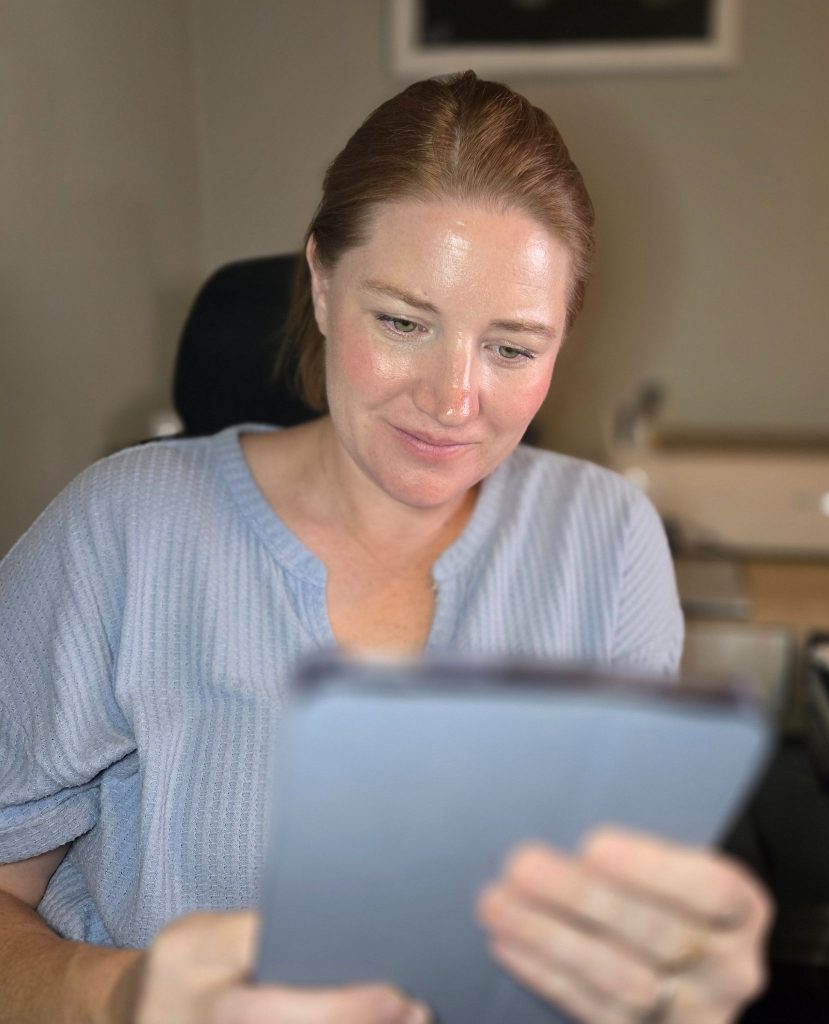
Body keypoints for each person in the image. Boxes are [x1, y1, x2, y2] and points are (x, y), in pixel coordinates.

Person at [0, 71, 771, 1024]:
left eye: (514, 348)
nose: (453, 401)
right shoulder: (120, 536)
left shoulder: (605, 545)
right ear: (322, 284)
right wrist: (119, 994)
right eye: (404, 323)